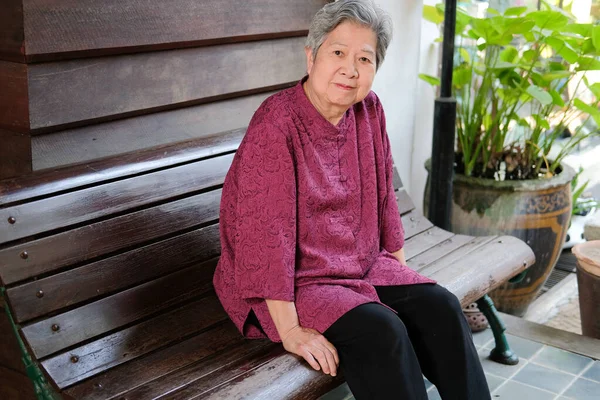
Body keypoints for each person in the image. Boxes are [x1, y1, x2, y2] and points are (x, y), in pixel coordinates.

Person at [213, 1, 490, 398]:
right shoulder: (277, 125)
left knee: (440, 306)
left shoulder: (368, 109)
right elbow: (265, 237)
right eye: (338, 53)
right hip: (297, 281)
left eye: (365, 58)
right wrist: (291, 331)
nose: (351, 69)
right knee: (383, 330)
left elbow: (383, 196)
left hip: (359, 265)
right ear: (312, 56)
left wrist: (402, 279)